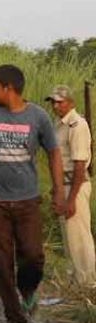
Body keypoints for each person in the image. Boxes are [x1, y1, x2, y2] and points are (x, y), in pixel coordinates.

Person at [0, 64, 65, 323]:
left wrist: (59, 190)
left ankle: (28, 291)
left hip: (27, 200)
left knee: (33, 255)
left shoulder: (38, 116)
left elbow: (54, 152)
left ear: (8, 88)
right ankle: (14, 315)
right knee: (1, 260)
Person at [46, 85, 96, 286]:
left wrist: (71, 199)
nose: (56, 106)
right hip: (63, 184)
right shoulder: (59, 124)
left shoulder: (77, 125)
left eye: (60, 101)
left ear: (70, 103)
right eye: (53, 102)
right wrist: (57, 189)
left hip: (75, 185)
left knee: (80, 236)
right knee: (69, 237)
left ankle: (89, 282)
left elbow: (79, 165)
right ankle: (75, 279)